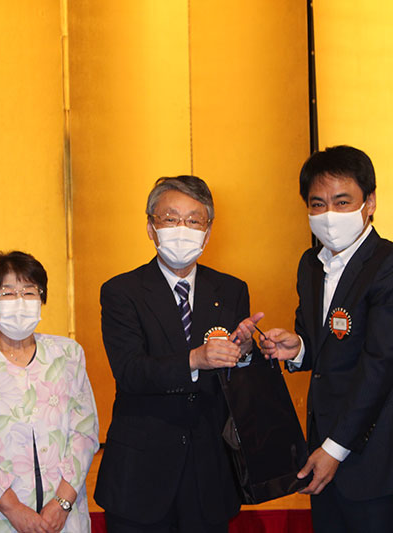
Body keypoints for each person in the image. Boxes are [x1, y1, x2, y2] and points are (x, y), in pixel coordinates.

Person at [259, 146, 393, 533]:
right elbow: (322, 345)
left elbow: (382, 367)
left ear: (370, 202)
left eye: (342, 201)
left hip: (376, 460)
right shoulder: (310, 265)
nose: (329, 215)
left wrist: (334, 449)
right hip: (323, 453)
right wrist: (298, 348)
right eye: (317, 204)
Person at [95, 175, 263, 533]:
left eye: (193, 220)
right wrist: (195, 359)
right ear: (151, 228)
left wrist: (247, 352)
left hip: (209, 473)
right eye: (170, 219)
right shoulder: (122, 291)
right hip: (141, 474)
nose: (182, 229)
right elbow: (130, 371)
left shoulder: (231, 290)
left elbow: (239, 383)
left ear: (208, 231)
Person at [0, 251, 99, 533]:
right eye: (6, 293)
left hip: (62, 515)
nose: (19, 301)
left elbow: (85, 432)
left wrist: (63, 502)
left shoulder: (67, 354)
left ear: (41, 299)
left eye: (29, 292)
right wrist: (13, 509)